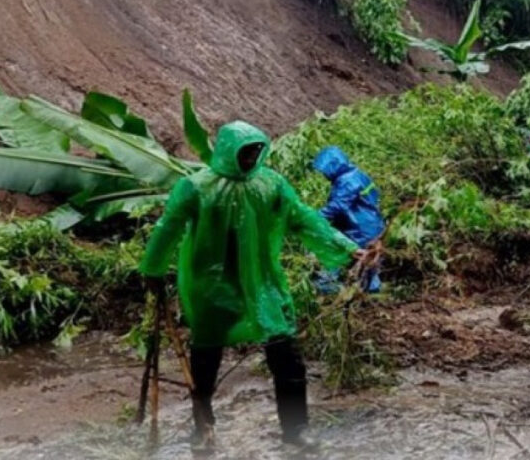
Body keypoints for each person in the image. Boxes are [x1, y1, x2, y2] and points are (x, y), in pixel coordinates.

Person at [139, 121, 367, 451]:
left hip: (263, 286)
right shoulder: (196, 188)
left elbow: (303, 218)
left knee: (286, 355)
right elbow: (167, 228)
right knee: (205, 360)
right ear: (229, 151)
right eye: (246, 152)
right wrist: (153, 269)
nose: (251, 158)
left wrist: (346, 247)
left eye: (256, 151)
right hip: (212, 287)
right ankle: (203, 428)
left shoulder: (271, 185)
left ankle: (296, 429)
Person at [312, 146, 386, 294]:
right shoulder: (357, 174)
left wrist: (312, 217)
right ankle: (372, 295)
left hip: (358, 229)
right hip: (372, 225)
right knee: (369, 265)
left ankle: (331, 290)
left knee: (335, 256)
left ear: (332, 166)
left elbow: (337, 206)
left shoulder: (346, 181)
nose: (324, 175)